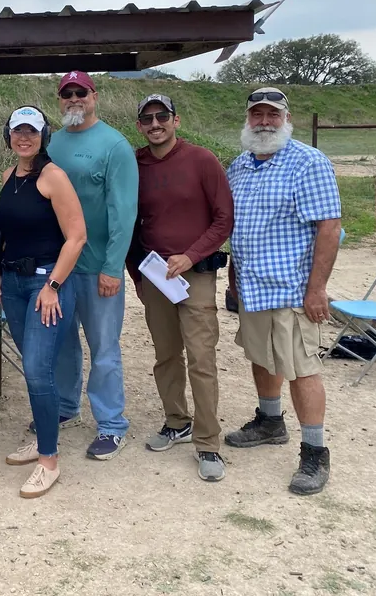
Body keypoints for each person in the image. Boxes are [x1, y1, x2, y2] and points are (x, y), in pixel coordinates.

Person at [225, 87, 341, 495]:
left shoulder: (308, 163)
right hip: (253, 288)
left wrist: (317, 289)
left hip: (292, 290)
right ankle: (270, 422)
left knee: (301, 368)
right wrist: (233, 278)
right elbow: (235, 229)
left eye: (272, 115)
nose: (264, 122)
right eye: (257, 114)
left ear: (286, 118)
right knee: (262, 357)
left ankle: (314, 452)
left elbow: (330, 227)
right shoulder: (239, 166)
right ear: (247, 119)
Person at [128, 94, 234, 482]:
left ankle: (208, 443)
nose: (155, 124)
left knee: (201, 358)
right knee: (165, 355)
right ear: (139, 125)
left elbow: (224, 218)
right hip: (155, 276)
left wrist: (191, 256)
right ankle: (177, 421)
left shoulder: (202, 160)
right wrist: (137, 276)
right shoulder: (135, 165)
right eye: (147, 119)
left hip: (196, 274)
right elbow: (129, 222)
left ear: (176, 120)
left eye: (162, 117)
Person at [0, 106, 86, 498]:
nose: (24, 138)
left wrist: (54, 285)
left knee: (35, 368)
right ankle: (43, 436)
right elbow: (7, 233)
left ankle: (49, 458)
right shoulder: (9, 176)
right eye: (17, 131)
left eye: (31, 131)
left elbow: (76, 237)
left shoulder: (54, 177)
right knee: (34, 366)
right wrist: (0, 271)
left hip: (45, 284)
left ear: (43, 135)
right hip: (13, 281)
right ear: (8, 136)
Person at [46, 71, 137, 460]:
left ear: (94, 96)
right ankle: (66, 407)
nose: (73, 99)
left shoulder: (114, 145)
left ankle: (112, 424)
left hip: (97, 265)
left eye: (80, 92)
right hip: (57, 269)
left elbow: (124, 212)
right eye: (66, 94)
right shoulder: (51, 143)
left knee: (103, 349)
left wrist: (113, 267)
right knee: (62, 345)